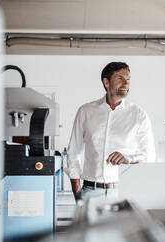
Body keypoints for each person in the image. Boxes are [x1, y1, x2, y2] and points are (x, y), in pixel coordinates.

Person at [65, 62, 156, 201]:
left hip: (125, 193)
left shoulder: (139, 115)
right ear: (106, 82)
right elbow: (73, 153)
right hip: (90, 192)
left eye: (128, 79)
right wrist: (78, 195)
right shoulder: (86, 111)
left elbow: (149, 156)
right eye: (120, 78)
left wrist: (129, 158)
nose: (126, 83)